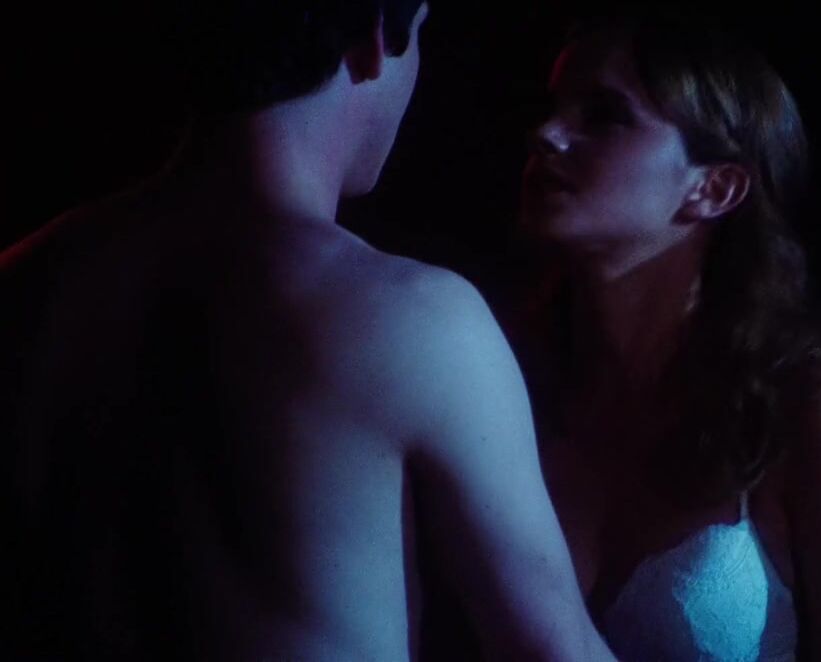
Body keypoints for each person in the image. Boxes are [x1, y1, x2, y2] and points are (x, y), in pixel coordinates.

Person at [0, 2, 614, 659]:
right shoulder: (410, 320)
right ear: (374, 39)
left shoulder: (28, 277)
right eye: (420, 35)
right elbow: (556, 651)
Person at [513, 4, 821, 660]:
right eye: (553, 107)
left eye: (604, 115)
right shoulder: (504, 389)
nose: (546, 134)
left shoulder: (820, 422)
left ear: (713, 188)